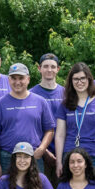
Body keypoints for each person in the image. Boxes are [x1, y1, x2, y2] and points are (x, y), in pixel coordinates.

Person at [0, 63, 56, 180]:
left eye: (21, 78)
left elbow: (50, 130)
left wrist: (42, 148)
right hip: (7, 157)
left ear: (28, 79)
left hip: (33, 156)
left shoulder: (40, 102)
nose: (17, 82)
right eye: (13, 78)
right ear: (9, 80)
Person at [30, 53, 64, 182]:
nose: (49, 70)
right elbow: (31, 126)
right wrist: (44, 151)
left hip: (62, 151)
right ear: (39, 68)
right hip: (39, 152)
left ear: (58, 69)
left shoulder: (66, 93)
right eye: (45, 66)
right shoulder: (31, 94)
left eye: (52, 66)